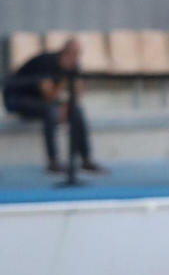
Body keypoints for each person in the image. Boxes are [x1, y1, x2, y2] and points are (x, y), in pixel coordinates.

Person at [3, 38, 102, 174]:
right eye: (73, 54)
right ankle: (53, 162)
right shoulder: (46, 63)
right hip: (16, 97)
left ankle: (86, 160)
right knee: (50, 111)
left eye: (78, 55)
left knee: (76, 111)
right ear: (64, 53)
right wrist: (64, 79)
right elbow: (49, 97)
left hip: (40, 99)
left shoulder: (73, 66)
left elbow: (76, 96)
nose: (76, 59)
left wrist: (68, 106)